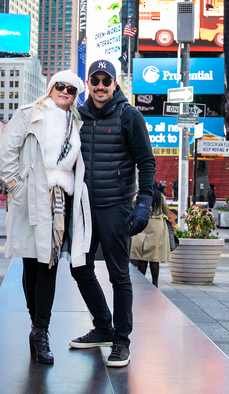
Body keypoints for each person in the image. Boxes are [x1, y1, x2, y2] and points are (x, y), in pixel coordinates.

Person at [0, 71, 92, 365]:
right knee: (30, 261)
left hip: (60, 199)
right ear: (51, 87)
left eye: (72, 89)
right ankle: (35, 323)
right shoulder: (29, 113)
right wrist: (16, 186)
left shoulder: (75, 121)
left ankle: (41, 330)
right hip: (31, 195)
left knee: (48, 264)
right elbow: (8, 150)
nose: (65, 91)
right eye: (60, 86)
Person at [68, 59, 156, 368]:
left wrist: (143, 203)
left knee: (120, 275)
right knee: (79, 267)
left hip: (116, 207)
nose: (101, 85)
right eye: (96, 80)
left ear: (114, 84)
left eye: (107, 80)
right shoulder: (76, 116)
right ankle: (103, 326)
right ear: (88, 84)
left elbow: (146, 162)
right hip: (83, 208)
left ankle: (121, 341)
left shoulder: (129, 116)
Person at [130, 184, 170, 286]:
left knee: (142, 255)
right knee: (154, 256)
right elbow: (166, 210)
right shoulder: (160, 197)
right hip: (156, 226)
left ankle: (141, 280)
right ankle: (155, 282)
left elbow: (133, 203)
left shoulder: (140, 196)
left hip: (143, 225)